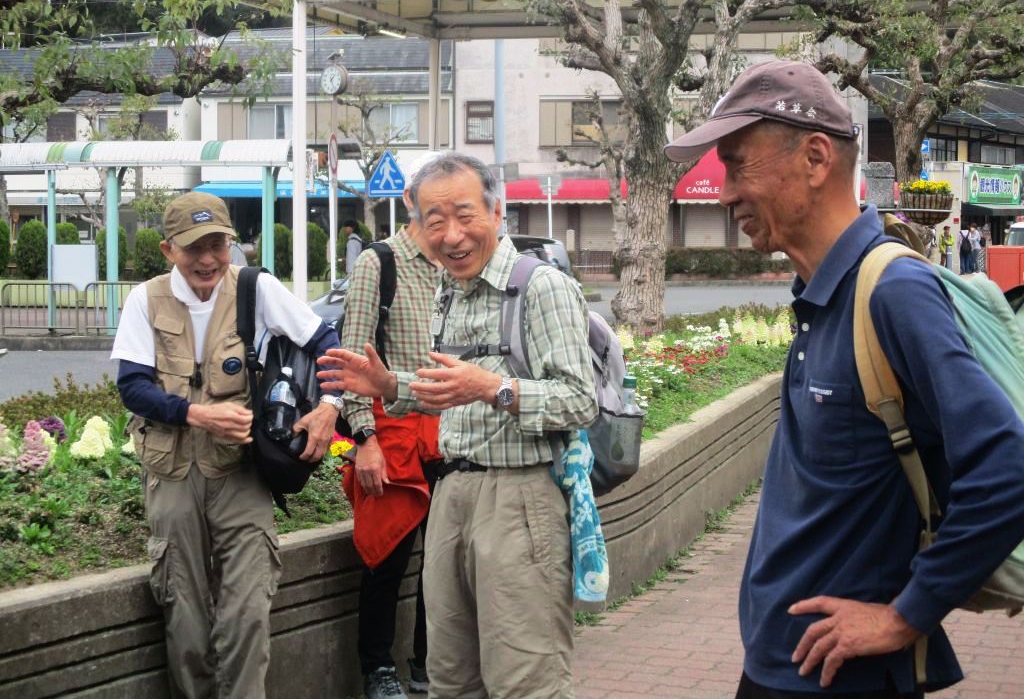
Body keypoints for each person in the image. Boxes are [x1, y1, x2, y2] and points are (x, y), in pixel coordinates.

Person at [664, 60, 1024, 699]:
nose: (723, 193)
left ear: (815, 157)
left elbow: (1009, 468)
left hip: (843, 676)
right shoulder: (822, 291)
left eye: (738, 166)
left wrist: (905, 615)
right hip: (784, 665)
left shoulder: (893, 291)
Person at [318, 152, 598, 699]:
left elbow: (580, 400)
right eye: (435, 220)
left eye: (464, 215)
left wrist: (492, 388)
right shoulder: (449, 289)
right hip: (450, 493)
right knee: (449, 679)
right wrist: (389, 386)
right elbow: (450, 396)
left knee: (525, 680)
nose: (451, 235)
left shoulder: (540, 286)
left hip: (519, 499)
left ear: (496, 211)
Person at [111, 192, 342, 699]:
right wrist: (197, 414)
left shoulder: (255, 288)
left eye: (217, 244)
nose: (208, 259)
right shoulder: (145, 299)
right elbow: (132, 386)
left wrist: (330, 406)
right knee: (184, 613)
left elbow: (326, 343)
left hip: (241, 473)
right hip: (171, 475)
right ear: (168, 249)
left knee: (249, 610)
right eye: (194, 247)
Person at [341, 193, 443, 699]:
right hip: (392, 435)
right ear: (411, 202)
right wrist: (364, 439)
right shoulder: (378, 262)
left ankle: (429, 663)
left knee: (442, 562)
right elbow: (352, 361)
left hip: (447, 434)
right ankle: (377, 668)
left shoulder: (456, 264)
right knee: (386, 558)